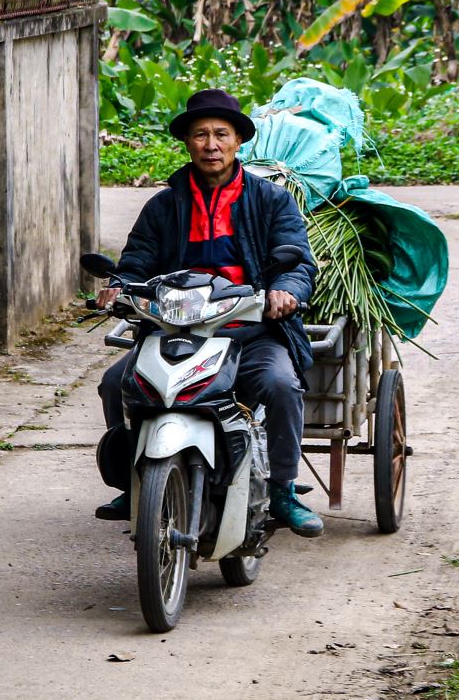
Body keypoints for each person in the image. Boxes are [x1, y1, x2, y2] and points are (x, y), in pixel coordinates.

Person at [93, 88, 324, 537]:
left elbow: (300, 266)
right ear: (188, 142)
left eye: (221, 133)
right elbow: (137, 261)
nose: (211, 144)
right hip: (177, 330)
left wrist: (283, 291)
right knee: (114, 384)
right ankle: (133, 480)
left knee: (279, 385)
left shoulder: (270, 201)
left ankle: (282, 490)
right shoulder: (164, 205)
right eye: (201, 134)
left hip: (249, 330)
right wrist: (118, 286)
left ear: (239, 141)